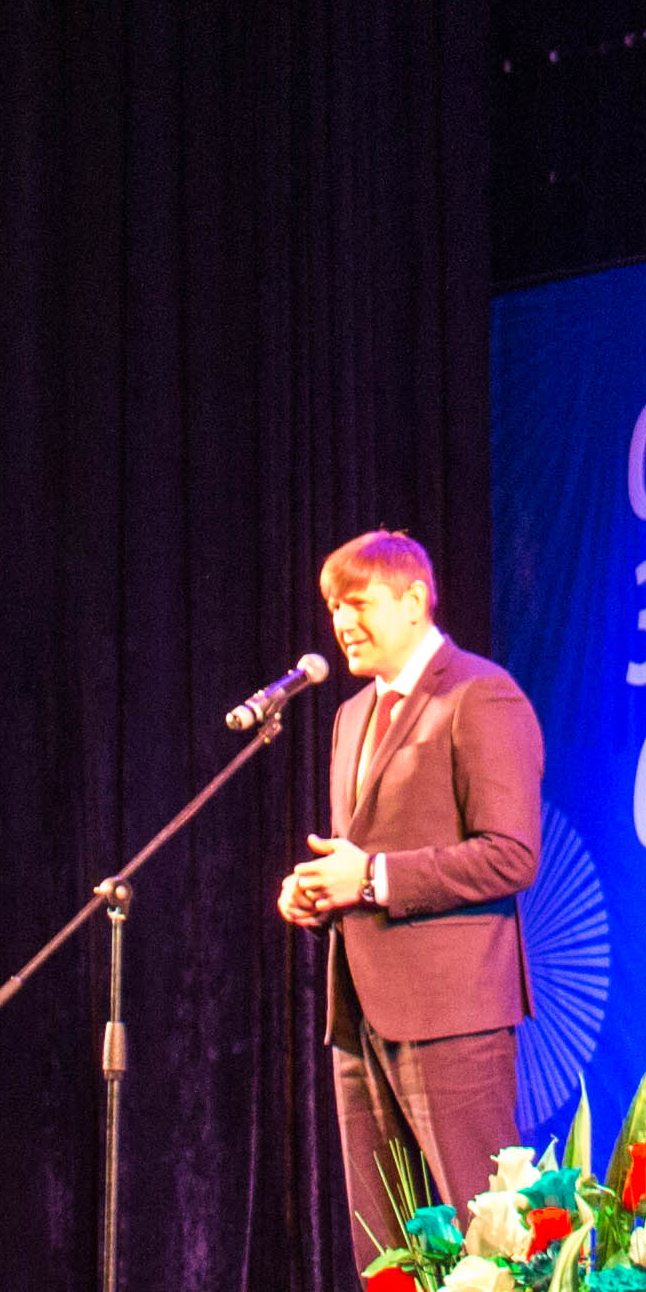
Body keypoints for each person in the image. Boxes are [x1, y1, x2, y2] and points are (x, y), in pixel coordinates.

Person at [275, 531, 543, 1251]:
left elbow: (511, 855)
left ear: (415, 600)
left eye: (357, 603)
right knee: (388, 1254)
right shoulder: (351, 716)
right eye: (334, 608)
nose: (341, 623)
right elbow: (362, 852)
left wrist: (370, 877)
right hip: (359, 1015)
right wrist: (319, 895)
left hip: (453, 1015)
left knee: (489, 1243)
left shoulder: (479, 694)